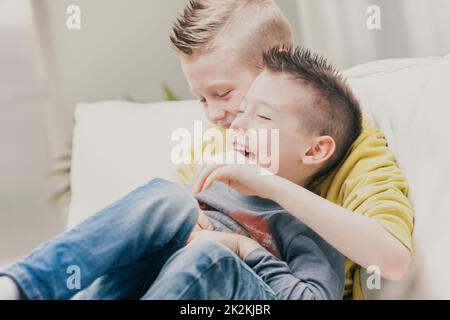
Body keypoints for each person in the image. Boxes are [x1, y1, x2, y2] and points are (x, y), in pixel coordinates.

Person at [0, 46, 359, 300]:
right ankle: (24, 286)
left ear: (315, 150)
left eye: (262, 116)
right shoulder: (209, 183)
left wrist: (242, 247)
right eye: (243, 109)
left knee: (211, 259)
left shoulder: (308, 228)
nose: (237, 124)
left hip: (216, 286)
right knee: (171, 199)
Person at [171, 0, 414, 299]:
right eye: (202, 99)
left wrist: (270, 185)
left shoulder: (351, 146)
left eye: (223, 94)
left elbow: (391, 260)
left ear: (277, 62)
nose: (214, 114)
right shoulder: (214, 142)